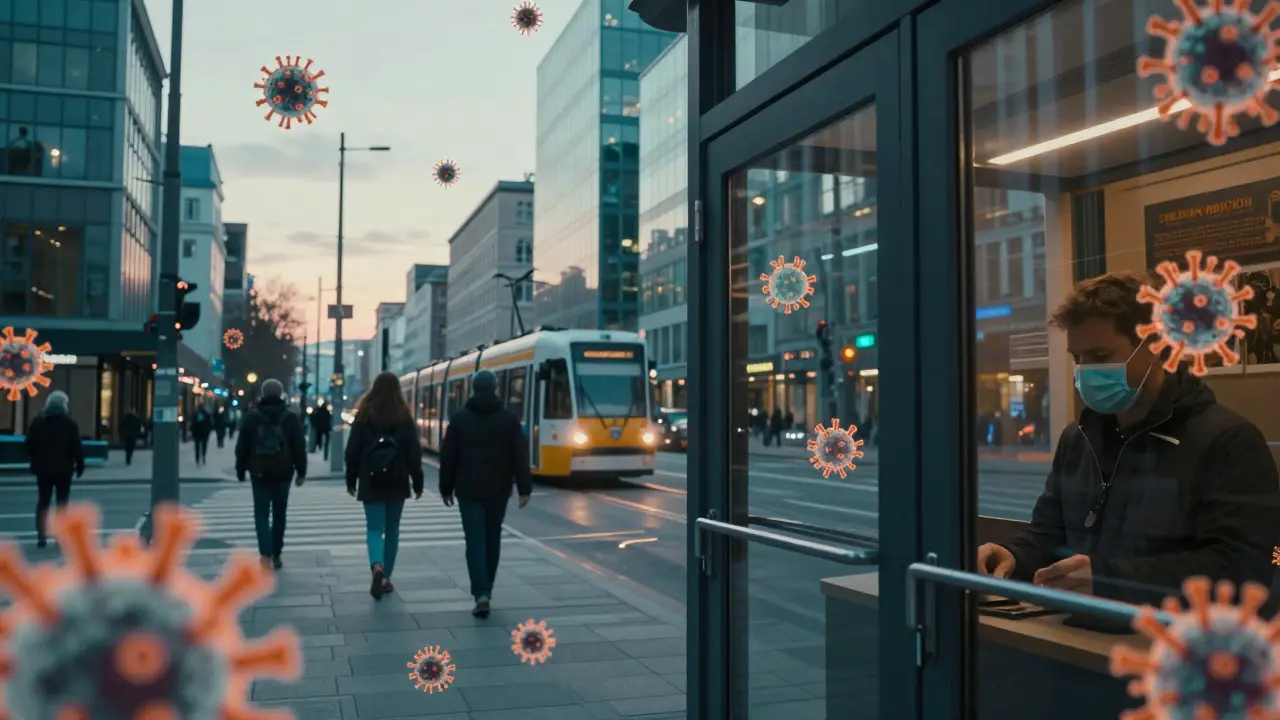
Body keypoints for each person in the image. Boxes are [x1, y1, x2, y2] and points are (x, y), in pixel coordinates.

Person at [976, 272, 1279, 606]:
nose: (1085, 371)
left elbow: (1240, 566)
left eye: (1101, 356)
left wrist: (1109, 579)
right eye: (1077, 358)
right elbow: (1050, 532)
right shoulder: (1078, 439)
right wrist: (1013, 555)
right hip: (1081, 635)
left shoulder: (1228, 442)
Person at [439, 369, 532, 617]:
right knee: (492, 540)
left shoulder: (459, 419)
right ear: (495, 390)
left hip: (468, 490)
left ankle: (481, 592)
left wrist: (445, 488)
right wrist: (524, 488)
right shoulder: (509, 419)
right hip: (498, 489)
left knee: (474, 541)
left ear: (473, 390)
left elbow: (448, 457)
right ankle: (486, 589)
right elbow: (519, 456)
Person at [344, 371, 425, 600]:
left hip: (371, 480)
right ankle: (386, 576)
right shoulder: (403, 416)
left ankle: (376, 566)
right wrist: (417, 482)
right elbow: (413, 453)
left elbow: (353, 451)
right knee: (392, 531)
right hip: (397, 480)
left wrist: (351, 480)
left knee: (373, 529)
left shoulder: (364, 416)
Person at [235, 379, 307, 570]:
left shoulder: (252, 417)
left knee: (261, 514)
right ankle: (276, 554)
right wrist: (301, 471)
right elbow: (299, 446)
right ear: (281, 393)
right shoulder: (290, 418)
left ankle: (265, 555)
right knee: (279, 515)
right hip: (283, 472)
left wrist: (241, 469)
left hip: (259, 471)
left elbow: (242, 447)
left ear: (263, 394)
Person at [23, 391, 85, 548]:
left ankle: (41, 535)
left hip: (42, 469)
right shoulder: (69, 424)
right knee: (62, 503)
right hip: (64, 469)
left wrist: (35, 459)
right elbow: (76, 447)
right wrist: (80, 465)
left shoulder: (38, 422)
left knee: (43, 501)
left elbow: (29, 446)